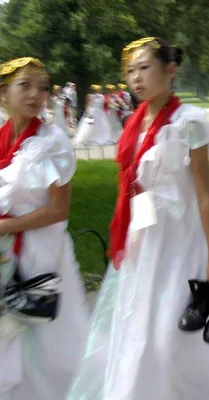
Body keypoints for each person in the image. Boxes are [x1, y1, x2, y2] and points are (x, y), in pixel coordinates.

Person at [66, 37, 209, 400]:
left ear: (170, 70)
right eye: (130, 70)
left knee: (175, 328)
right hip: (144, 238)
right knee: (140, 327)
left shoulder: (188, 121)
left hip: (183, 239)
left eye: (145, 67)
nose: (136, 77)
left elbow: (205, 195)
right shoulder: (132, 123)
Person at [0, 57, 88, 400]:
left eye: (43, 88)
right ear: (4, 92)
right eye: (25, 85)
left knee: (49, 343)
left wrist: (6, 226)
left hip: (43, 253)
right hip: (5, 253)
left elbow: (57, 210)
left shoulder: (53, 142)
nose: (36, 94)